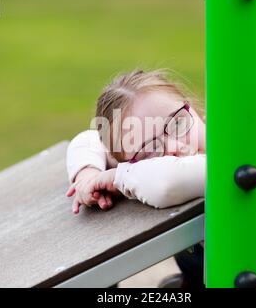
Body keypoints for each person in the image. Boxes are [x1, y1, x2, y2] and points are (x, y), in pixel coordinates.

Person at [66, 69, 205, 288]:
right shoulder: (137, 168)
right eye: (149, 150)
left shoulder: (229, 151)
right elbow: (88, 139)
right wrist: (87, 174)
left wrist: (117, 176)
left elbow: (168, 184)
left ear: (194, 110)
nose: (175, 147)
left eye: (177, 123)